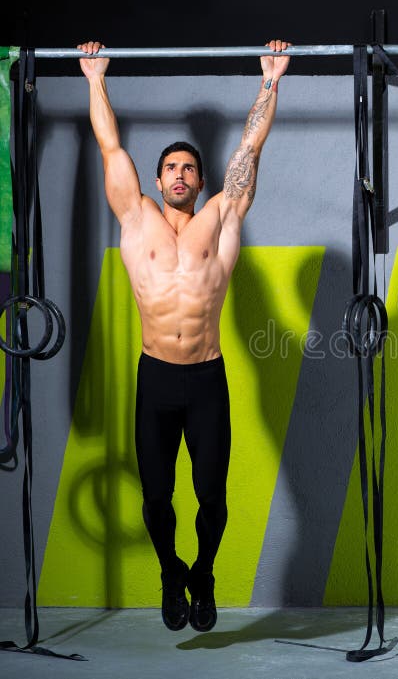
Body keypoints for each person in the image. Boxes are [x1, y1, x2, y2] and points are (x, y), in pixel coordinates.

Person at [77, 39, 291, 631]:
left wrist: (270, 79)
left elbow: (249, 147)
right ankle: (173, 572)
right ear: (157, 177)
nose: (179, 175)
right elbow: (109, 144)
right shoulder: (134, 215)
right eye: (171, 167)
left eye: (189, 168)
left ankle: (205, 573)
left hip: (205, 379)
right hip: (156, 379)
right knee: (154, 500)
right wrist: (96, 77)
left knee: (212, 499)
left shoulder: (221, 217)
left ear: (200, 181)